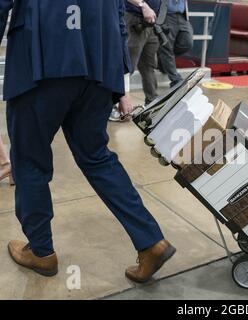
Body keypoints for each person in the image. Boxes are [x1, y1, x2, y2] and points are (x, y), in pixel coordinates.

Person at [1, 0, 175, 283]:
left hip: (41, 61)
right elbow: (118, 16)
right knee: (97, 158)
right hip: (99, 66)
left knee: (30, 161)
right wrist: (120, 84)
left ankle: (41, 251)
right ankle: (151, 242)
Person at [110, 0, 161, 122]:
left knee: (149, 66)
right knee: (126, 66)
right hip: (134, 19)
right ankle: (111, 106)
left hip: (151, 23)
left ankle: (152, 103)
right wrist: (143, 5)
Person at [158, 0, 193, 87]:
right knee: (166, 47)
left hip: (182, 15)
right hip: (166, 15)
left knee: (187, 43)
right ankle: (176, 80)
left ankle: (162, 61)